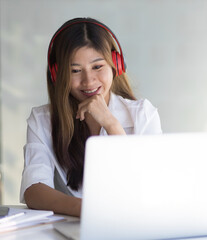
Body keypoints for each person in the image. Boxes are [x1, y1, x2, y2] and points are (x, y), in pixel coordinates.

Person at [20, 17, 162, 217]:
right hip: (73, 228)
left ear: (116, 65)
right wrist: (87, 210)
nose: (88, 81)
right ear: (57, 74)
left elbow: (149, 188)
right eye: (75, 71)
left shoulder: (143, 115)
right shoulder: (42, 119)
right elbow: (34, 190)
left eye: (97, 67)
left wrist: (112, 125)